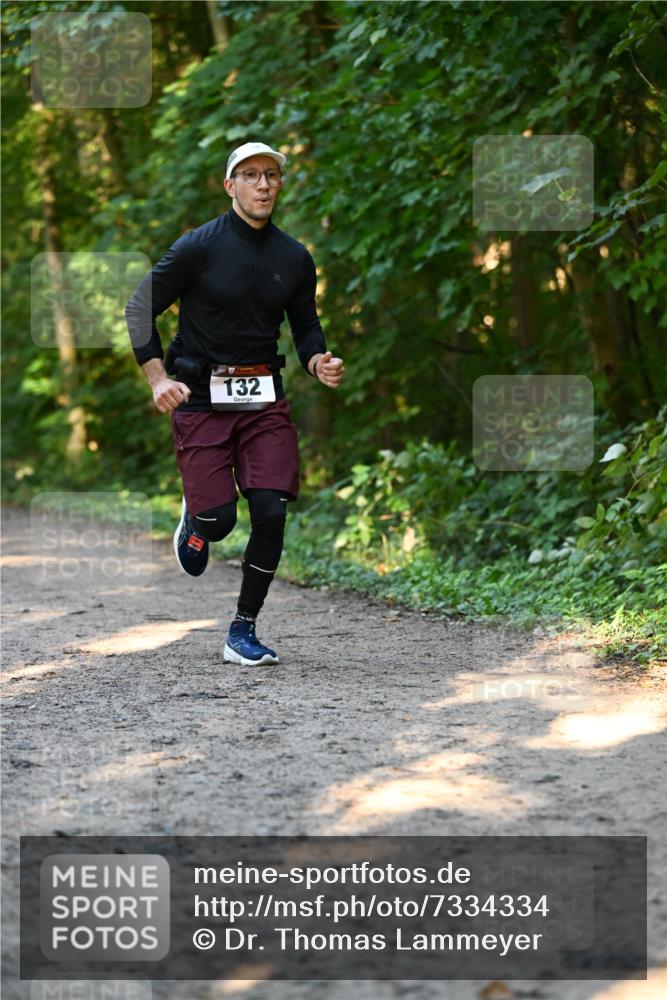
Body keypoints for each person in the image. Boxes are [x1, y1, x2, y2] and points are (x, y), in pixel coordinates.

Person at [125, 141, 345, 666]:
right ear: (231, 186)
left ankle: (242, 630)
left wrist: (318, 361)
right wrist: (158, 379)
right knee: (221, 521)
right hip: (201, 396)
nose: (263, 184)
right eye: (250, 176)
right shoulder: (198, 248)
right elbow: (139, 309)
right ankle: (199, 521)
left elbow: (306, 327)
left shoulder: (294, 257)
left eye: (271, 175)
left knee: (271, 509)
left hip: (264, 396)